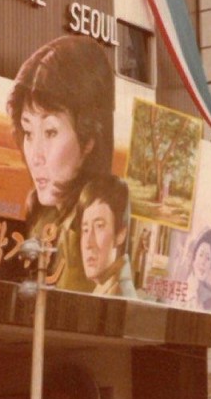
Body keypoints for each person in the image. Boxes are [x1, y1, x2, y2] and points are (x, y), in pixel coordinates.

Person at [7, 35, 115, 293]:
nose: (36, 156)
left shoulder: (92, 234)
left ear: (89, 140)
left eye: (51, 132)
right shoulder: (39, 217)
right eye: (28, 132)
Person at [77, 175, 136, 297]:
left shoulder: (117, 293)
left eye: (99, 226)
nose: (88, 243)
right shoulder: (106, 287)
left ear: (120, 234)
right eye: (85, 229)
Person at [181, 227, 211, 311]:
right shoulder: (180, 285)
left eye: (208, 258)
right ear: (193, 257)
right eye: (201, 255)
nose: (203, 262)